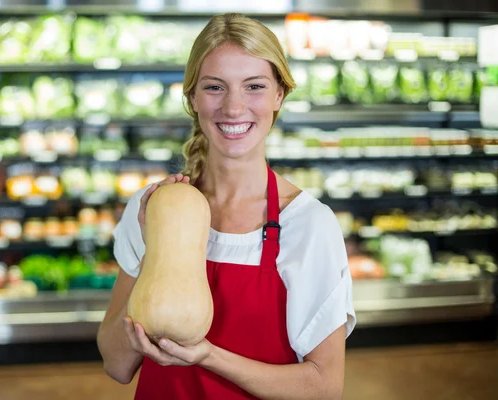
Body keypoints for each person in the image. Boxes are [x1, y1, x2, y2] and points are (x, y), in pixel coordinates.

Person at [97, 12, 356, 399]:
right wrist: (156, 250)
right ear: (192, 98)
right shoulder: (153, 207)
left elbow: (324, 387)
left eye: (254, 86)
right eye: (215, 87)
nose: (234, 108)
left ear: (279, 95)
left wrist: (208, 356)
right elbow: (117, 366)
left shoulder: (310, 225)